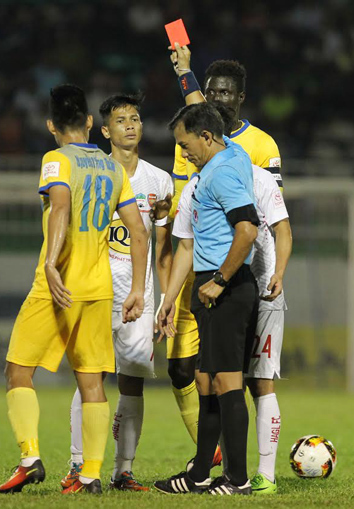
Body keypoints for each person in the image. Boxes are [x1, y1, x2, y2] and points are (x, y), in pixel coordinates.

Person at [0, 84, 149, 495]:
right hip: (99, 288)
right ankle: (90, 475)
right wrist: (137, 287)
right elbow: (138, 231)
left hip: (57, 286)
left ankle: (30, 459)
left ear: (51, 126)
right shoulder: (112, 168)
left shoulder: (55, 160)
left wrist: (50, 263)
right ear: (88, 122)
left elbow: (60, 207)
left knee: (18, 371)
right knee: (92, 382)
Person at [60, 93, 173, 492]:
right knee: (92, 378)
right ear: (104, 130)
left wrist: (164, 300)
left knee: (133, 380)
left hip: (139, 294)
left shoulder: (159, 182)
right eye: (121, 119)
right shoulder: (92, 173)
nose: (131, 125)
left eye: (136, 118)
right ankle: (77, 466)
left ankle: (122, 470)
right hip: (94, 285)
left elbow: (163, 247)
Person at [155, 103, 259, 496]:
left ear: (207, 137)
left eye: (185, 145)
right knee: (205, 380)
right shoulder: (229, 154)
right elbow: (187, 245)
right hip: (207, 286)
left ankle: (238, 480)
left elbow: (247, 229)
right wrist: (169, 298)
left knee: (228, 382)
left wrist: (220, 279)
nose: (183, 153)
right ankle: (200, 473)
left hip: (226, 288)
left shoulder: (222, 173)